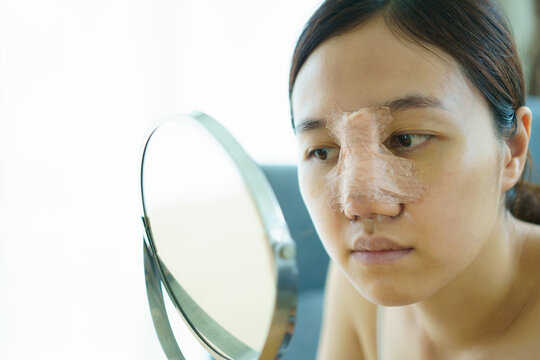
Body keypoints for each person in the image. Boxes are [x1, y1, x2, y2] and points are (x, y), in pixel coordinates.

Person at [288, 0, 540, 358]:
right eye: (323, 152)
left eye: (406, 140)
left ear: (512, 150)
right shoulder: (357, 287)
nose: (359, 203)